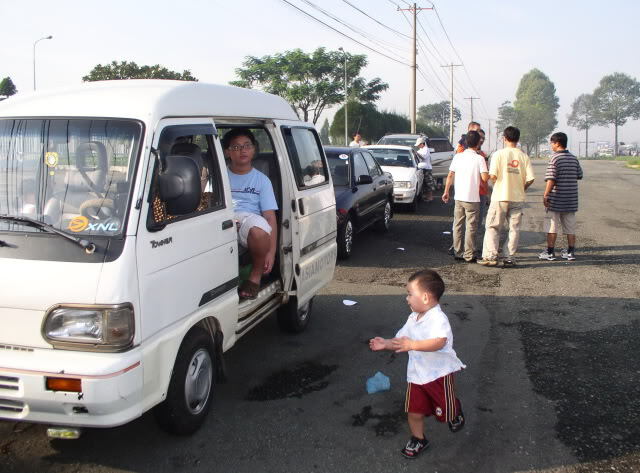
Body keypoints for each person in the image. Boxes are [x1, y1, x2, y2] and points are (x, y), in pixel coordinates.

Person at [369, 269, 466, 459]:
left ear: (425, 297)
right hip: (416, 376)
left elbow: (440, 341)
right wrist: (386, 343)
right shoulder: (413, 318)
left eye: (409, 294)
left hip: (438, 375)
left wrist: (413, 345)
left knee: (445, 411)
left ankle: (454, 410)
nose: (407, 298)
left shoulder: (438, 318)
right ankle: (418, 438)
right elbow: (401, 340)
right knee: (414, 411)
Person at [224, 128, 278, 299]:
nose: (243, 150)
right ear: (227, 152)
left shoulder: (262, 180)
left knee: (259, 229)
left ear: (254, 149)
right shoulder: (219, 176)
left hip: (249, 221)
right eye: (236, 147)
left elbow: (270, 217)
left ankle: (255, 276)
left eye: (247, 145)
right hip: (224, 219)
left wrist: (271, 252)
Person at [478, 126, 535, 267]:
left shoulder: (498, 154)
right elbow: (530, 178)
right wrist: (521, 188)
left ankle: (491, 257)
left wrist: (499, 185)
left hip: (500, 196)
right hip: (518, 198)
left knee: (493, 227)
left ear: (504, 138)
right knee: (514, 229)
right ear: (518, 139)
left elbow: (492, 176)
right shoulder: (524, 156)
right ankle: (509, 257)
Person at [442, 131, 489, 262]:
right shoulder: (479, 158)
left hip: (459, 197)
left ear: (466, 142)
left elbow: (450, 175)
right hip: (472, 198)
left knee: (457, 225)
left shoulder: (458, 157)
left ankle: (458, 252)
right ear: (479, 142)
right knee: (471, 227)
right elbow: (485, 178)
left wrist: (446, 191)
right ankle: (468, 254)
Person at [538, 132, 583, 261]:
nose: (551, 145)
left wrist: (546, 195)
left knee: (552, 226)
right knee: (570, 227)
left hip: (556, 199)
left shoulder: (555, 158)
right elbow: (579, 175)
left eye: (552, 143)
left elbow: (551, 179)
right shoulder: (574, 158)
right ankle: (570, 252)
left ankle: (551, 252)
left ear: (557, 143)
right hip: (571, 199)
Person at [415, 136, 434, 202]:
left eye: (419, 145)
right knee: (423, 184)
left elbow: (423, 157)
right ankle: (426, 197)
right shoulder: (419, 150)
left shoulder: (426, 149)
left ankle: (430, 197)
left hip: (427, 169)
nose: (418, 146)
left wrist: (417, 154)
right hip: (421, 169)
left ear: (422, 144)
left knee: (429, 183)